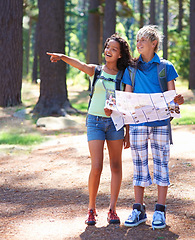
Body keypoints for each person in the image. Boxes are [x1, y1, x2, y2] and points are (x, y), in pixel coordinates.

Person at [47, 33, 133, 225]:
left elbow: (127, 103)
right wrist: (62, 57)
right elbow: (80, 65)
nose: (108, 51)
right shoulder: (97, 71)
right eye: (107, 48)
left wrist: (127, 129)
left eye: (113, 49)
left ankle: (112, 209)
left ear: (120, 54)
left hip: (115, 124)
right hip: (94, 122)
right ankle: (91, 209)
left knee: (116, 166)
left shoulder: (124, 74)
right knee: (96, 166)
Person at [120, 25, 184, 230]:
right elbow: (128, 98)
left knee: (161, 164)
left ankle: (160, 210)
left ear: (154, 43)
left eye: (143, 41)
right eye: (137, 41)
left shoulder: (166, 67)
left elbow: (172, 99)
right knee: (139, 165)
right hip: (138, 124)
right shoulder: (131, 68)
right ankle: (138, 209)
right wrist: (127, 130)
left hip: (161, 124)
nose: (138, 44)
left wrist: (177, 102)